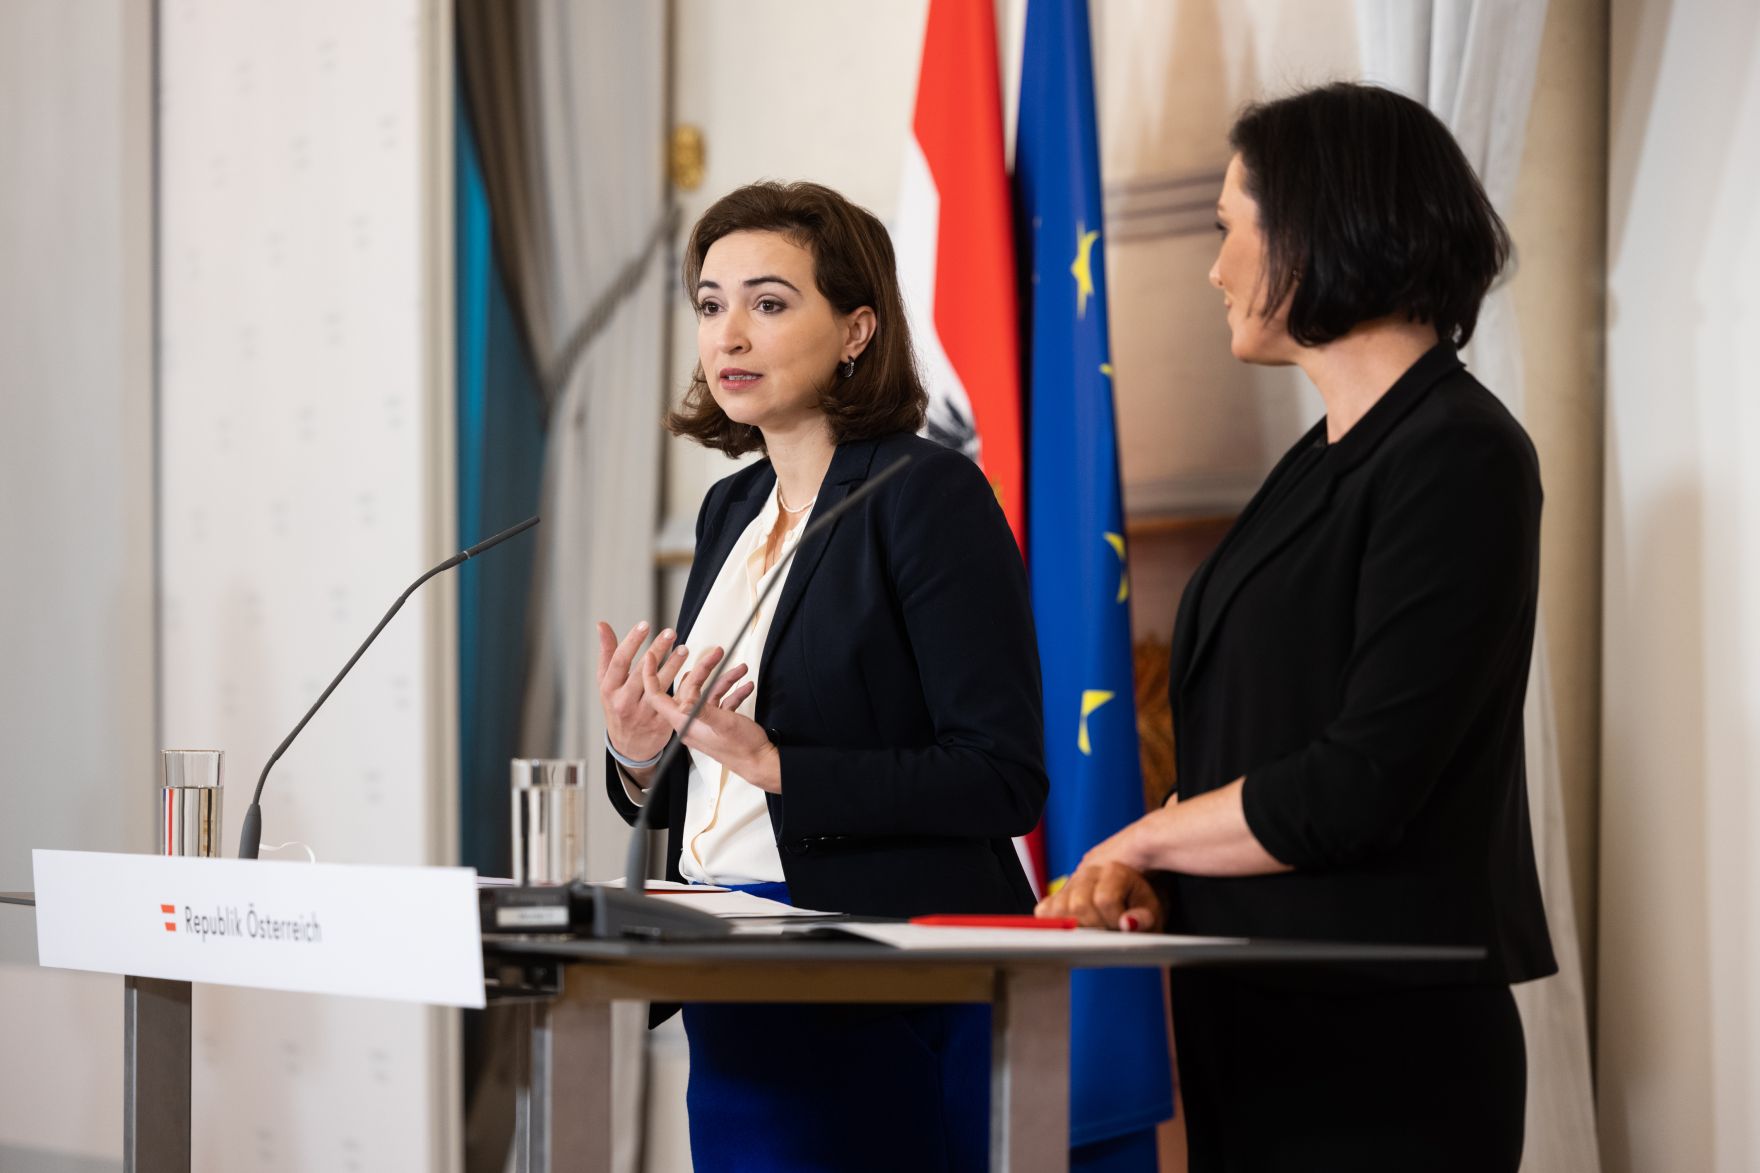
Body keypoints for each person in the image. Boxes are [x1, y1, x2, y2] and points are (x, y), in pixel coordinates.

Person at [1036, 82, 1557, 1171]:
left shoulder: (1457, 454)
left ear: (1319, 229)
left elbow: (1359, 782)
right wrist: (1159, 866)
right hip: (1260, 1020)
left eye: (1230, 231)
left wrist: (1138, 838)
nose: (1217, 268)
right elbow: (1263, 745)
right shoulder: (1319, 459)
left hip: (1381, 1050)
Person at [596, 180, 1046, 1172]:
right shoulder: (730, 509)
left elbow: (1000, 776)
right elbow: (711, 776)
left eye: (767, 302)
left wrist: (782, 764)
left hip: (878, 980)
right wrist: (637, 755)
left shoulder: (924, 496)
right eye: (710, 305)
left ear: (855, 329)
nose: (729, 337)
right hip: (730, 974)